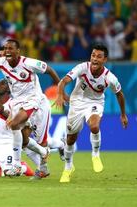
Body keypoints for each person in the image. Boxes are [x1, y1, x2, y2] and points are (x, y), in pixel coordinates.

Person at [0, 38, 62, 177]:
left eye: (10, 48)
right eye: (6, 48)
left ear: (18, 51)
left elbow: (49, 70)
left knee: (31, 135)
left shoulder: (28, 63)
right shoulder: (1, 62)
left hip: (34, 100)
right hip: (18, 102)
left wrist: (61, 92)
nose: (7, 51)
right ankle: (41, 158)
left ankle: (21, 163)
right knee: (24, 140)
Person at [54, 44, 128, 183]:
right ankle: (68, 167)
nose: (95, 59)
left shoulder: (109, 78)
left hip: (95, 102)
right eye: (93, 55)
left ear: (105, 60)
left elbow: (120, 94)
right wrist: (60, 94)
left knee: (94, 126)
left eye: (99, 56)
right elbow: (64, 81)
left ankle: (95, 154)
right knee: (70, 139)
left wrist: (123, 114)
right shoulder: (82, 68)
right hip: (77, 102)